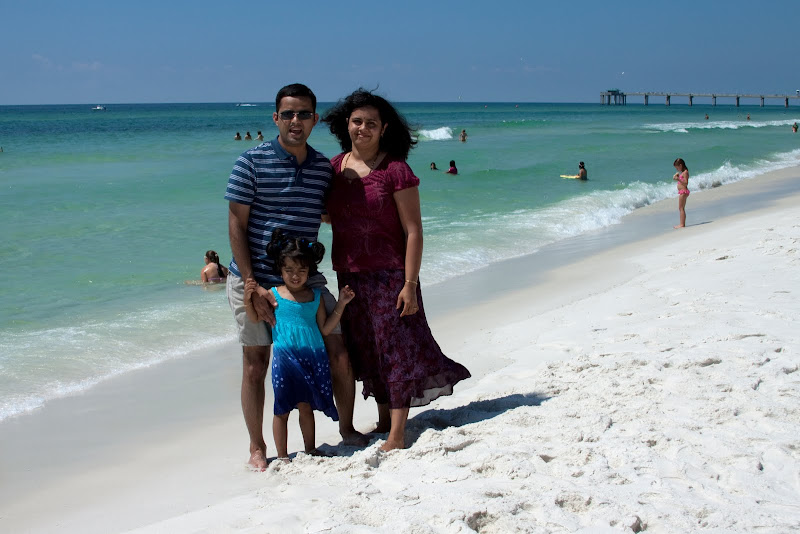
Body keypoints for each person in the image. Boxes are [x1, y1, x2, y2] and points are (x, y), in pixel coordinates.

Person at [225, 83, 365, 470]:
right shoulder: (250, 162)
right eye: (288, 114)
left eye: (304, 113)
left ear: (315, 119)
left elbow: (335, 212)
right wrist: (251, 285)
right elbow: (236, 224)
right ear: (276, 119)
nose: (295, 120)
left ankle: (347, 428)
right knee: (255, 363)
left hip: (306, 279)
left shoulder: (322, 169)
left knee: (339, 350)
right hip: (254, 280)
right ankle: (257, 447)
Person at [322, 89, 471, 452]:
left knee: (396, 351)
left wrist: (410, 284)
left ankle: (397, 435)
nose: (363, 128)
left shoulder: (395, 169)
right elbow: (328, 214)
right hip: (350, 276)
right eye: (357, 121)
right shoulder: (334, 168)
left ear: (384, 128)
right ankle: (385, 420)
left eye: (371, 123)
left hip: (391, 276)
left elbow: (414, 230)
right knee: (368, 349)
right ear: (346, 124)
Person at [244, 231, 355, 460]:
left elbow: (325, 329)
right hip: (285, 361)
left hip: (312, 359)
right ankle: (282, 456)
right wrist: (248, 299)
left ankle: (310, 449)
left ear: (309, 270)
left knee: (306, 407)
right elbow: (255, 319)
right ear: (280, 269)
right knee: (282, 408)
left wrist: (342, 304)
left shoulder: (315, 296)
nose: (295, 276)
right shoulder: (273, 295)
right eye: (289, 270)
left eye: (301, 270)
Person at [673, 158, 690, 229]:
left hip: (683, 191)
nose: (677, 169)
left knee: (681, 208)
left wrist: (678, 179)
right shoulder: (683, 173)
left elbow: (686, 183)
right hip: (682, 191)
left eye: (677, 168)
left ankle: (682, 224)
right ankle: (682, 223)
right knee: (681, 208)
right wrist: (677, 177)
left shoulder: (685, 172)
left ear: (680, 165)